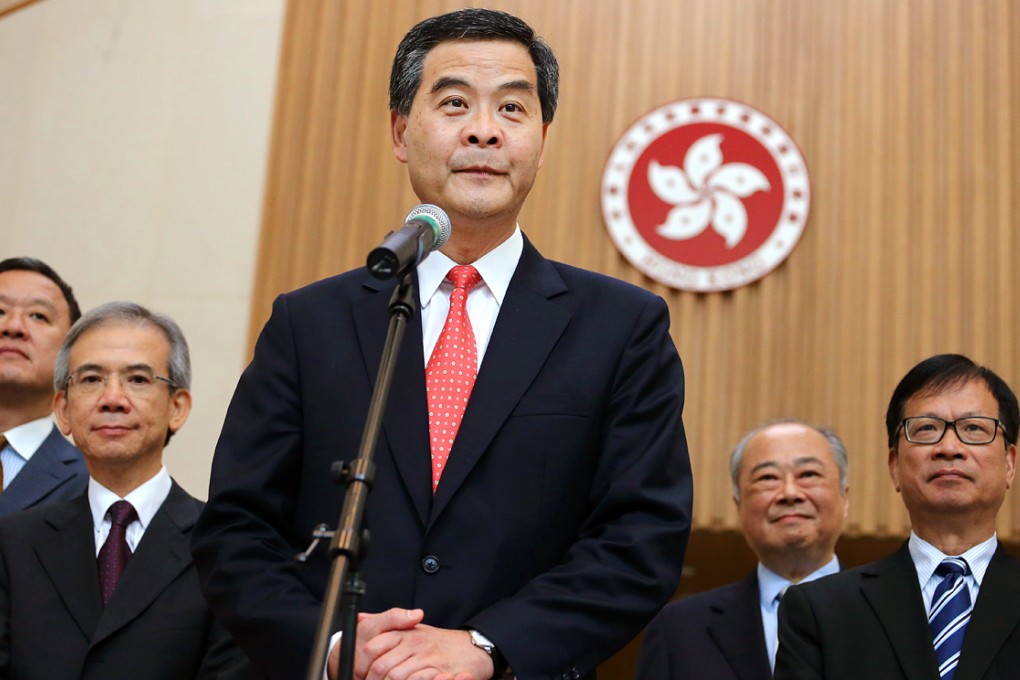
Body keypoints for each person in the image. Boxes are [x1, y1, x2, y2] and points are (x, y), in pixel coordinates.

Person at [191, 8, 692, 680]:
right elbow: (236, 531)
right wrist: (336, 646)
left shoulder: (622, 327)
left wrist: (487, 644)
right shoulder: (309, 323)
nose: (484, 129)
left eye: (513, 108)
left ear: (541, 139)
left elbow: (640, 540)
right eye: (455, 102)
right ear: (401, 132)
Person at [0, 302, 249, 679]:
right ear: (63, 410)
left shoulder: (224, 544)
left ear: (177, 408)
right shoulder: (14, 543)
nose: (112, 399)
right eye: (91, 380)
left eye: (137, 380)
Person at [775, 354, 1020, 679]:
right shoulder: (820, 610)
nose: (949, 447)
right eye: (927, 428)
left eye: (973, 428)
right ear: (894, 467)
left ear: (1009, 464)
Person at [636, 419, 849, 679]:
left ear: (844, 497)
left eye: (808, 474)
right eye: (767, 477)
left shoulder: (896, 615)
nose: (790, 492)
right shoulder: (677, 629)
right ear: (739, 506)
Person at [0, 257, 88, 515]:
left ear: (72, 355)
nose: (13, 327)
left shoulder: (94, 482)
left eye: (38, 316)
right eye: (0, 312)